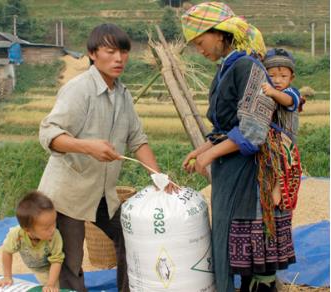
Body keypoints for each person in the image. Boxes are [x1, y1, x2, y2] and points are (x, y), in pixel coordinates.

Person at [38, 23, 172, 292]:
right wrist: (88, 147)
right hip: (69, 194)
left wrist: (160, 179)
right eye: (110, 51)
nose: (119, 59)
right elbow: (49, 134)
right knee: (69, 261)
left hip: (103, 193)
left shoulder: (123, 94)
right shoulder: (80, 89)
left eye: (124, 52)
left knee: (130, 235)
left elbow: (138, 140)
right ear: (92, 53)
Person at [181, 2, 295, 292]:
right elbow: (223, 126)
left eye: (200, 41)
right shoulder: (225, 69)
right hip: (231, 168)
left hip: (251, 171)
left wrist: (209, 155)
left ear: (220, 34)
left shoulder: (248, 67)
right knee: (234, 245)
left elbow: (253, 130)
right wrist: (202, 149)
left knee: (253, 254)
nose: (200, 49)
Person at [0, 191, 64, 292]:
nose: (53, 229)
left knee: (54, 287)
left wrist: (51, 284)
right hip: (38, 269)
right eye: (47, 227)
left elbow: (57, 261)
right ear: (27, 230)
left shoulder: (55, 236)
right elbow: (7, 251)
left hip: (50, 268)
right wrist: (7, 276)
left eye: (54, 222)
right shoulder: (17, 235)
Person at [262, 48, 303, 206]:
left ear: (291, 78)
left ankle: (278, 192)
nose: (277, 80)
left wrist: (272, 92)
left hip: (286, 141)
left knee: (284, 165)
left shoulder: (291, 92)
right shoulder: (266, 91)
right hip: (269, 142)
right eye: (271, 76)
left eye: (283, 76)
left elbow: (287, 100)